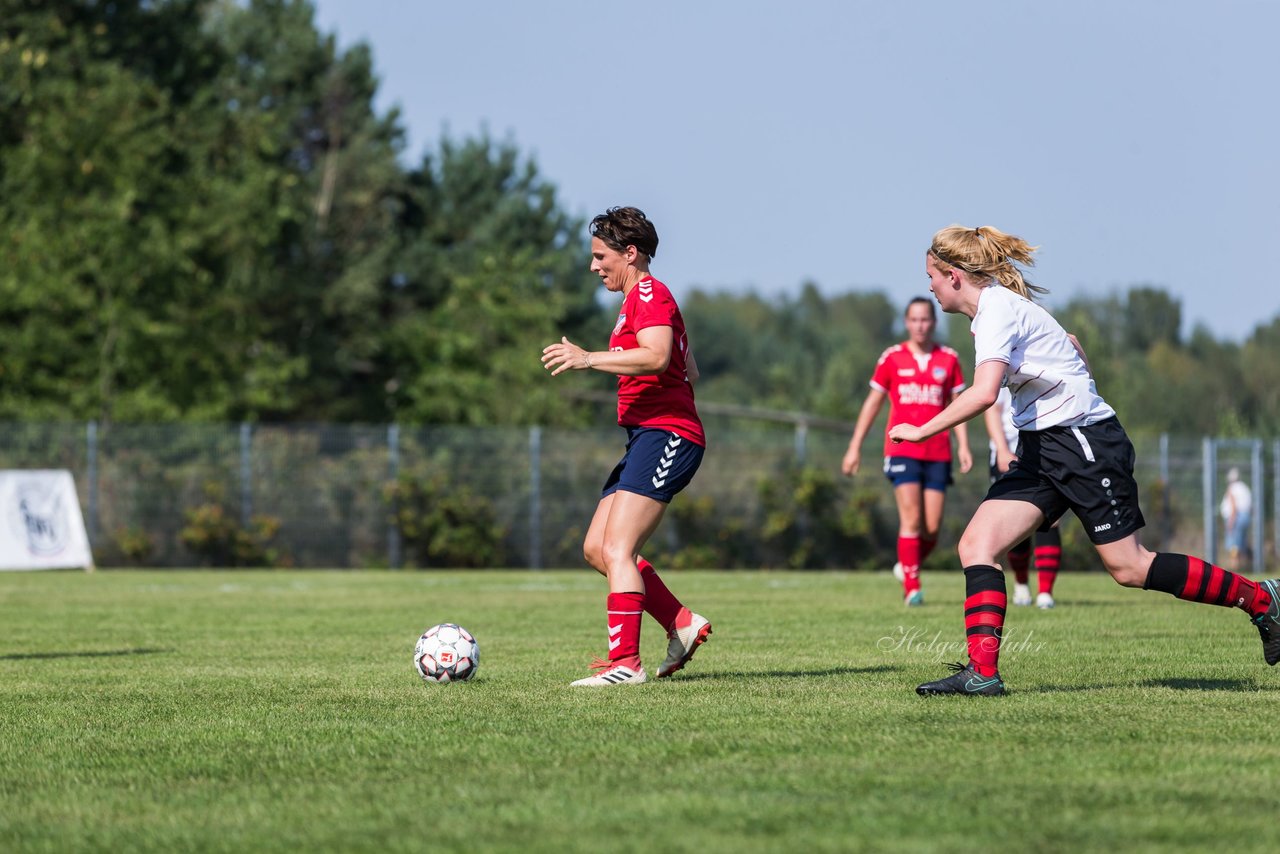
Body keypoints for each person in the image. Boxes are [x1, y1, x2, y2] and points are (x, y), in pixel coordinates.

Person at [889, 224, 1280, 696]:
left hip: (1081, 444)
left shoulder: (996, 310)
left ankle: (1261, 598)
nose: (928, 286)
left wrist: (920, 429)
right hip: (1042, 448)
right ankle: (982, 674)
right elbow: (1069, 342)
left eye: (930, 275)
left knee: (1130, 568)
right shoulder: (996, 311)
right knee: (977, 546)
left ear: (953, 275)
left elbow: (984, 393)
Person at [541, 206, 712, 687]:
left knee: (618, 547)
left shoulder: (649, 293)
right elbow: (687, 368)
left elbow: (659, 357)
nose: (594, 266)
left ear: (629, 253)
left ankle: (625, 665)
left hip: (669, 434)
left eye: (600, 256)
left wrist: (588, 358)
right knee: (598, 548)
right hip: (647, 435)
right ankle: (681, 621)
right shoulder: (638, 302)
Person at [841, 298, 974, 606]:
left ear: (934, 322)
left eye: (925, 319)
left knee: (931, 529)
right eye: (914, 320)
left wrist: (963, 444)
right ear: (906, 322)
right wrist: (854, 447)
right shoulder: (892, 358)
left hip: (938, 451)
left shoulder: (949, 359)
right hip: (901, 450)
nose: (920, 325)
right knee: (911, 518)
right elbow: (872, 403)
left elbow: (959, 406)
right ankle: (912, 587)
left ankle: (906, 565)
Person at [985, 386, 1063, 609]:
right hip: (1010, 454)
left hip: (1047, 453)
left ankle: (1046, 592)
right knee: (1016, 523)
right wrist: (1001, 449)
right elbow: (991, 410)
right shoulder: (1004, 361)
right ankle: (1021, 583)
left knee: (1051, 519)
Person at [1220, 467, 1253, 571]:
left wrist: (1231, 521)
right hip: (1246, 517)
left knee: (1234, 544)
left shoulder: (1232, 488)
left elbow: (1233, 506)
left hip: (1236, 518)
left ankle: (1235, 568)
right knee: (1241, 543)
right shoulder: (1245, 488)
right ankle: (1243, 566)